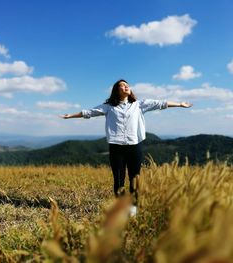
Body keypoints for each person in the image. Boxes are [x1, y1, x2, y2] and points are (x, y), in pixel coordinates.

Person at [60, 79, 193, 216]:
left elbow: (160, 103)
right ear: (116, 91)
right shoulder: (108, 106)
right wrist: (70, 116)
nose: (126, 87)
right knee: (119, 180)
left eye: (127, 85)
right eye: (122, 86)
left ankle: (133, 208)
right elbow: (89, 112)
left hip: (134, 147)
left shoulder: (139, 104)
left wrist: (179, 104)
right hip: (116, 147)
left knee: (135, 178)